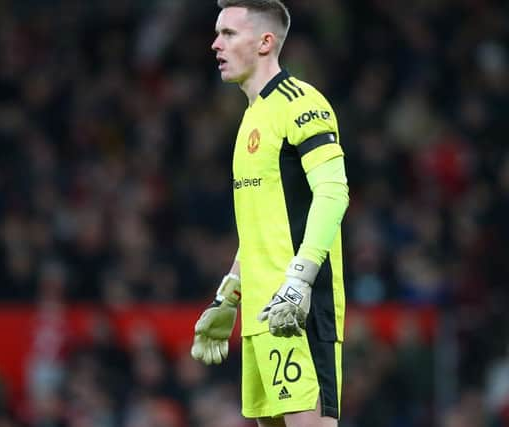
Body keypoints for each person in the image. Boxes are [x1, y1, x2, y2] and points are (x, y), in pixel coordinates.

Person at [190, 1, 350, 426]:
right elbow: (262, 228)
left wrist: (301, 279)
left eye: (228, 34)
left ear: (265, 42)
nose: (215, 44)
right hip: (263, 315)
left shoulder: (301, 102)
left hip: (299, 309)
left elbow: (334, 192)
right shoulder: (249, 119)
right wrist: (230, 295)